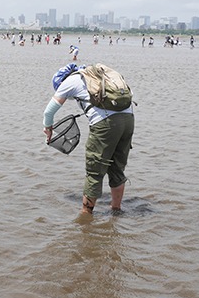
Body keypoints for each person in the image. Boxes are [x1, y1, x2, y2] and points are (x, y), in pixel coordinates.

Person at [43, 67, 134, 215]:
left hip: (105, 124)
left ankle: (86, 215)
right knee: (117, 168)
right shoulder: (99, 74)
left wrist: (48, 128)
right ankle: (116, 210)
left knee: (94, 171)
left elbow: (49, 112)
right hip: (128, 120)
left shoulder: (69, 81)